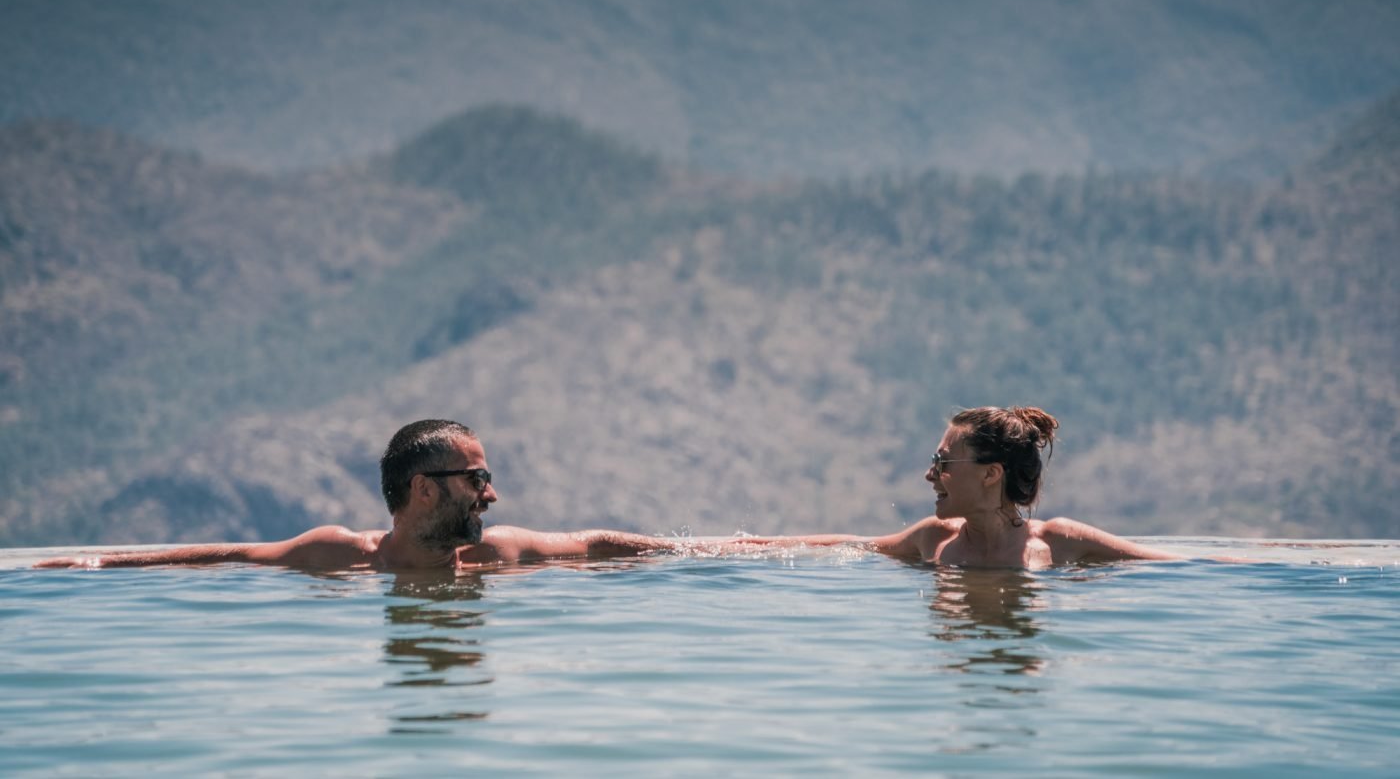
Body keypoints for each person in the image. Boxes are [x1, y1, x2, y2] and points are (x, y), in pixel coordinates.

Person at [35, 419, 675, 571]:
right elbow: (231, 556)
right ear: (423, 489)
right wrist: (97, 564)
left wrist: (729, 548)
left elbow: (597, 543)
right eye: (477, 480)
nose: (493, 495)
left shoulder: (502, 556)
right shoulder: (345, 557)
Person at [742, 406, 1182, 568]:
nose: (930, 475)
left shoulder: (1060, 542)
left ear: (991, 474)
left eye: (942, 462)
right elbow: (846, 545)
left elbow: (1178, 566)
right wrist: (729, 546)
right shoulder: (932, 540)